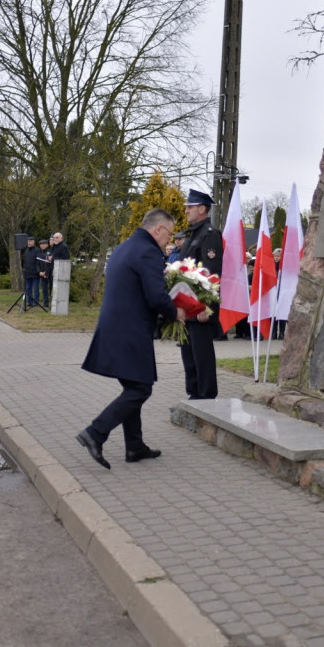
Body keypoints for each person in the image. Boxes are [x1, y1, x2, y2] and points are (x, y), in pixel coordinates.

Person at [75, 209, 187, 469]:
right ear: (158, 229)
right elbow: (156, 297)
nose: (168, 241)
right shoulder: (148, 252)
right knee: (140, 389)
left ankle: (134, 447)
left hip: (116, 328)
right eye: (168, 234)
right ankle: (95, 433)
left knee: (134, 387)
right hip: (130, 332)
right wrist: (176, 312)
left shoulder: (125, 246)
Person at [178, 189, 222, 399]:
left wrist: (206, 305)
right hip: (186, 304)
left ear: (202, 209)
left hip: (200, 306)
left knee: (201, 353)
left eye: (190, 207)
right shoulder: (193, 233)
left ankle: (206, 395)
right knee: (188, 352)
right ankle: (193, 392)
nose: (186, 210)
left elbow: (211, 273)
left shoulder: (210, 234)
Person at [21, 236, 40, 307]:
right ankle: (29, 302)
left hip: (35, 273)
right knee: (28, 288)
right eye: (28, 241)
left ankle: (36, 302)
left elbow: (38, 262)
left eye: (31, 241)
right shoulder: (26, 250)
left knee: (35, 288)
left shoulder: (37, 250)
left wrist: (38, 271)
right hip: (27, 273)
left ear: (34, 242)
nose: (29, 243)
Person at [37, 237, 52, 308]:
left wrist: (46, 272)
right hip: (41, 274)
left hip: (49, 274)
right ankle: (46, 304)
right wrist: (39, 272)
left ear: (47, 245)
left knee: (51, 289)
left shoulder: (50, 252)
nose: (42, 245)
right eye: (41, 244)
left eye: (44, 244)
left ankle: (52, 304)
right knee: (44, 289)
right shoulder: (39, 253)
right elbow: (37, 264)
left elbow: (50, 263)